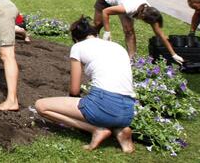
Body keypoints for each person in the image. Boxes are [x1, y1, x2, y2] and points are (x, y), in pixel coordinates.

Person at [35, 16, 135, 153]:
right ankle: (120, 129)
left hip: (103, 102)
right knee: (105, 110)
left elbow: (75, 90)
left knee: (41, 106)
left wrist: (75, 101)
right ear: (95, 34)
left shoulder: (78, 47)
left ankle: (96, 129)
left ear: (75, 39)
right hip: (128, 110)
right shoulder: (117, 46)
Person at [93, 0, 183, 63]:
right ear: (142, 15)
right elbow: (105, 12)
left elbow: (161, 34)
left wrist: (174, 54)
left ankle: (131, 59)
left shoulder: (151, 13)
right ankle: (90, 42)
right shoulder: (130, 8)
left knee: (129, 31)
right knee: (98, 24)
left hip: (123, 2)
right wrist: (107, 32)